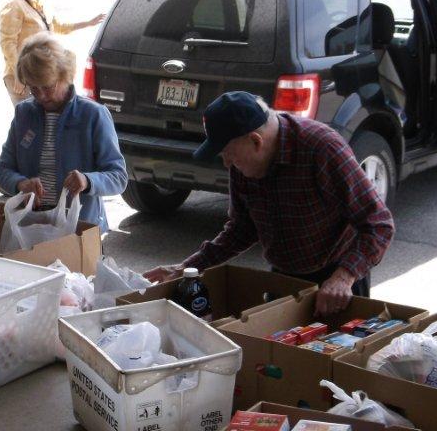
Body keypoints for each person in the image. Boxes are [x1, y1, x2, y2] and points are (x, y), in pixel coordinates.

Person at [144, 91, 395, 316]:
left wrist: (344, 277)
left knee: (336, 363)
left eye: (228, 154)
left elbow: (378, 224)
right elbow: (242, 229)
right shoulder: (243, 164)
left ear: (256, 141)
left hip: (336, 281)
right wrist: (187, 268)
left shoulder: (322, 148)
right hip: (283, 278)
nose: (227, 163)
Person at [0, 32, 127, 233]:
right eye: (33, 88)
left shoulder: (93, 115)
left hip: (81, 228)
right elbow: (2, 170)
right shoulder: (24, 113)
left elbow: (118, 177)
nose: (41, 96)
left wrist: (88, 181)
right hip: (33, 227)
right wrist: (20, 183)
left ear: (64, 75)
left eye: (47, 86)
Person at [0, 0, 105, 105]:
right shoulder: (14, 5)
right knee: (28, 123)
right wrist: (19, 73)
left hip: (41, 71)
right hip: (22, 77)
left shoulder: (37, 0)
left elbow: (58, 26)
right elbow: (7, 43)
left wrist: (88, 23)